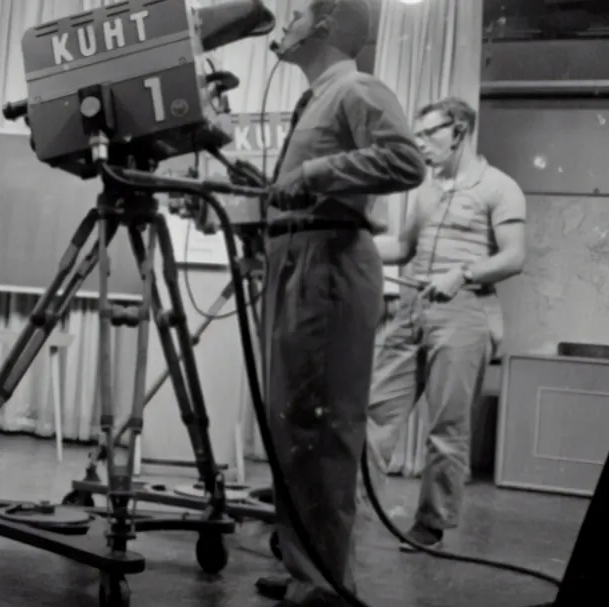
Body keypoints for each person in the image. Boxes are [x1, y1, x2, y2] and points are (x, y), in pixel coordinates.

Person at [257, 0, 427, 604]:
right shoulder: (319, 98)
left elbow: (408, 161)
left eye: (296, 15)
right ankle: (306, 562)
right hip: (297, 257)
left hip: (328, 260)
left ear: (325, 25)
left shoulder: (356, 87)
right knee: (289, 422)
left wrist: (315, 174)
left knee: (322, 426)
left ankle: (326, 583)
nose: (286, 26)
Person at [365, 97, 527, 550]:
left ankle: (431, 524)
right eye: (414, 137)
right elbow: (402, 248)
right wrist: (351, 239)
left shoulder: (499, 187)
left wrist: (464, 273)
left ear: (458, 131)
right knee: (373, 411)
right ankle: (352, 511)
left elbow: (514, 256)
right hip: (412, 307)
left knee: (446, 427)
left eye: (428, 135)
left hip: (465, 313)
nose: (419, 146)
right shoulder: (426, 189)